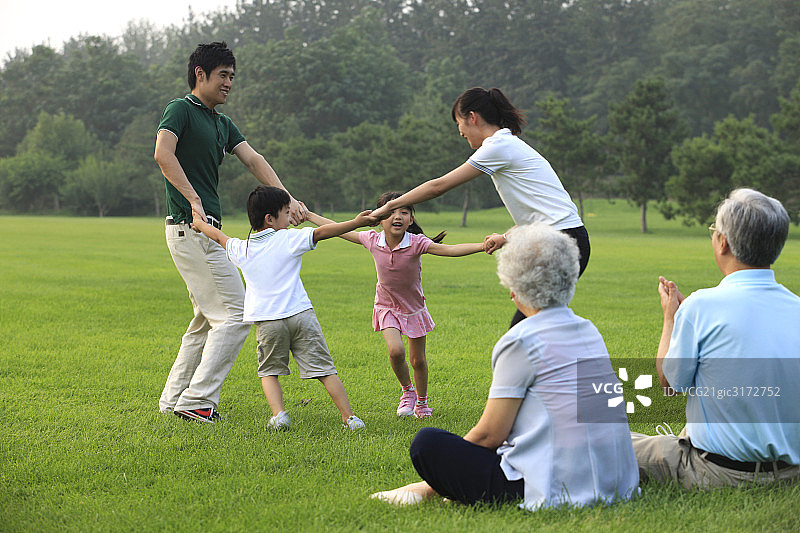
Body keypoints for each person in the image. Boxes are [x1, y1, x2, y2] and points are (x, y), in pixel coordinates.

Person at [370, 223, 638, 509]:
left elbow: (489, 435)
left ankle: (426, 491)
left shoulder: (521, 340)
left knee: (428, 443)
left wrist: (431, 482)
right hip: (615, 481)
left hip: (556, 486)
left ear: (513, 289)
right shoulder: (589, 330)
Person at [154, 41, 306, 422]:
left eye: (232, 77)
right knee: (237, 314)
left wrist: (288, 199)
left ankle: (175, 399)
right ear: (200, 75)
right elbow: (162, 153)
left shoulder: (222, 123)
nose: (229, 84)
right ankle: (196, 401)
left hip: (207, 233)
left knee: (207, 319)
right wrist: (192, 199)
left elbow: (254, 158)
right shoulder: (181, 110)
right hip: (191, 230)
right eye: (223, 75)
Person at [369, 87, 590, 328]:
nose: (460, 132)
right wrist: (506, 236)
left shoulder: (498, 146)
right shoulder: (508, 145)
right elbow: (540, 214)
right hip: (566, 238)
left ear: (472, 117)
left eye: (459, 125)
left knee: (526, 328)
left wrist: (389, 206)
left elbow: (437, 186)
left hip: (561, 241)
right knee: (539, 324)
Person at [632, 188, 800, 488]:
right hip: (791, 472)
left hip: (720, 471)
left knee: (611, 439)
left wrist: (671, 318)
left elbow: (670, 385)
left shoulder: (701, 306)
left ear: (723, 242)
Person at [191, 186, 373, 430]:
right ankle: (349, 418)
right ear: (270, 219)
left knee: (269, 372)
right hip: (301, 316)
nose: (290, 219)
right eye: (287, 213)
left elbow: (217, 236)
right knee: (325, 370)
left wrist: (198, 223)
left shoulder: (241, 247)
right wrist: (355, 222)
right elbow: (323, 232)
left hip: (268, 322)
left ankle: (279, 416)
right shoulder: (289, 238)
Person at [306, 192, 485, 419]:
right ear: (379, 218)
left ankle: (421, 403)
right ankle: (407, 392)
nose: (397, 217)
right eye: (390, 212)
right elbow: (339, 229)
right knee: (395, 350)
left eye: (404, 211)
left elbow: (449, 250)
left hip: (413, 308)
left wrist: (483, 245)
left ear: (411, 219)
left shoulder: (417, 243)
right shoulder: (371, 239)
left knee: (417, 361)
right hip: (386, 306)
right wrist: (309, 215)